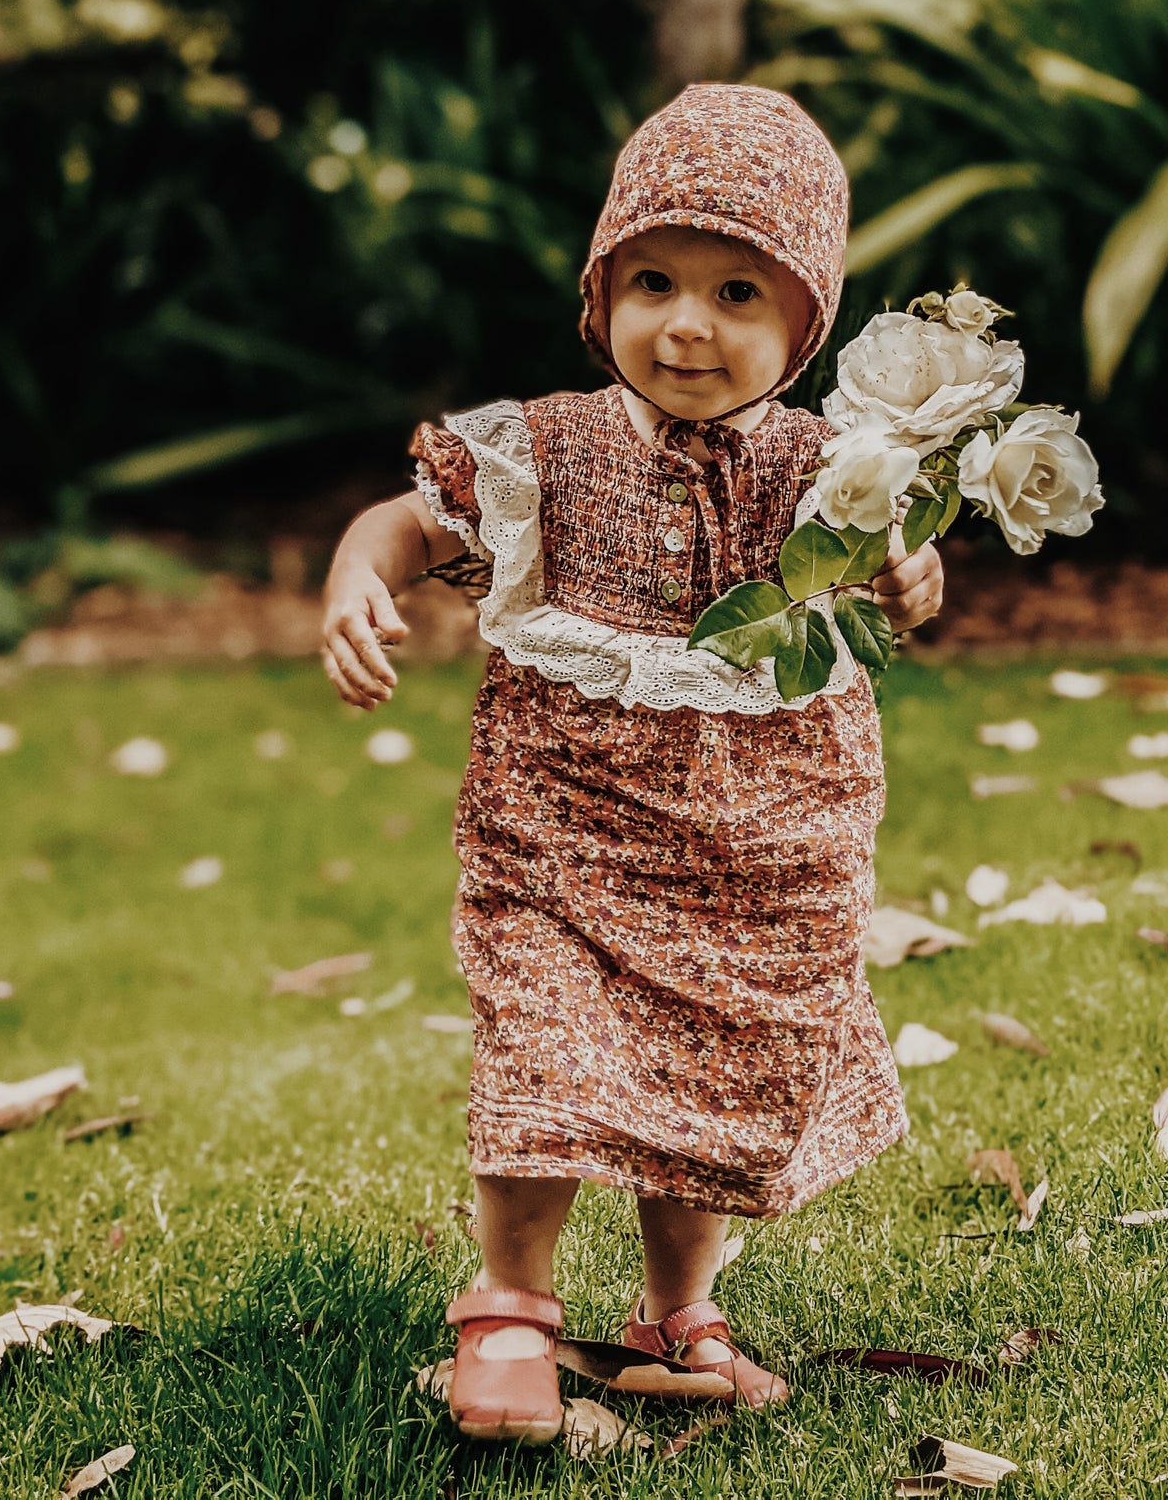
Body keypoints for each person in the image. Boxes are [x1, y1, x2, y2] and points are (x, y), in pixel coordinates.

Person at [321, 84, 945, 1444]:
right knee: (544, 1055)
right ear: (598, 295)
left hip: (762, 847)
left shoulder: (825, 466)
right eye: (651, 280)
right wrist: (356, 584)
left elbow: (905, 574)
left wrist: (905, 568)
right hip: (566, 832)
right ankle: (508, 1309)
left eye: (737, 294)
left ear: (804, 324)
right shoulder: (541, 448)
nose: (686, 324)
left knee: (720, 1066)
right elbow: (404, 526)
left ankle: (677, 1314)